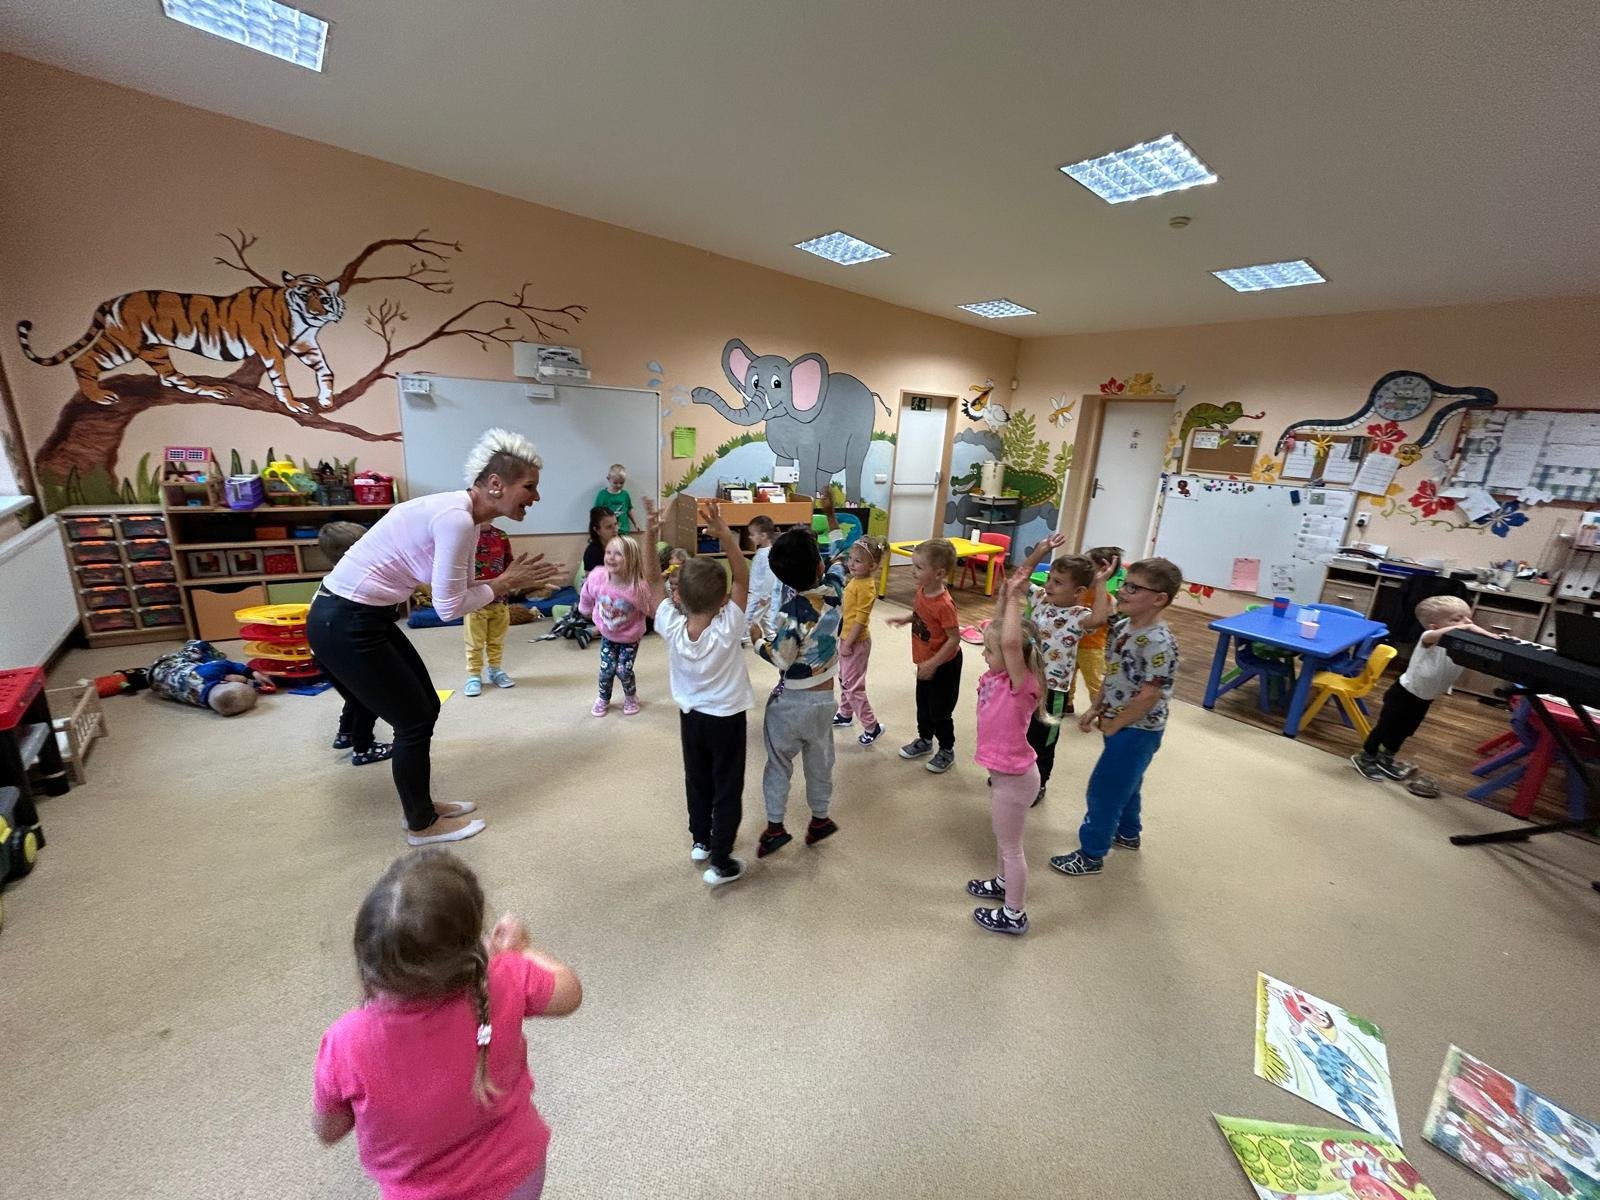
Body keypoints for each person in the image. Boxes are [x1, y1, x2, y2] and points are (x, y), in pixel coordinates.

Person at [306, 428, 567, 845]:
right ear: (495, 484)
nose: (535, 497)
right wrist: (503, 583)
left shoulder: (467, 519)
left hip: (361, 616)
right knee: (412, 719)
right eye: (529, 486)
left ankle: (421, 806)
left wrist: (505, 583)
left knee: (425, 706)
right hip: (343, 620)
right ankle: (421, 825)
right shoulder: (457, 519)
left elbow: (458, 590)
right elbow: (449, 608)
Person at [312, 849, 582, 1200]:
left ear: (367, 957)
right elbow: (569, 992)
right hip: (519, 1173)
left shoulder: (345, 1042)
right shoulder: (503, 977)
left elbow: (328, 1130)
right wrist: (522, 950)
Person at [644, 498, 753, 886]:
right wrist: (725, 536)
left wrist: (650, 535)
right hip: (727, 719)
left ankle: (701, 840)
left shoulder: (671, 626)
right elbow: (742, 578)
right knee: (727, 787)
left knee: (698, 779)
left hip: (691, 719)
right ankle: (720, 861)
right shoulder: (729, 626)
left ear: (679, 596)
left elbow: (652, 582)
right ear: (723, 600)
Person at [1050, 557, 1183, 877]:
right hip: (1116, 720)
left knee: (1105, 789)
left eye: (1134, 588)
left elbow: (1150, 695)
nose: (1122, 591)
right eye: (1124, 584)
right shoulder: (1122, 627)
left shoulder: (1159, 643)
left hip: (1139, 729)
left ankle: (1092, 854)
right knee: (1127, 781)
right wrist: (1096, 707)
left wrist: (1116, 723)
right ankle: (1128, 832)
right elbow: (1113, 673)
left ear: (1159, 599)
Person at [752, 491, 847, 856]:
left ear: (784, 580)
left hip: (791, 703)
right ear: (820, 566)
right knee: (820, 762)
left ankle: (775, 828)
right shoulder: (835, 589)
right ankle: (820, 818)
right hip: (825, 701)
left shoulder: (792, 611)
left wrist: (758, 640)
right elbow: (840, 552)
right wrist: (831, 514)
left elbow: (781, 657)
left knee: (778, 762)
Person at [967, 569, 1056, 936]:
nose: (985, 654)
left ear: (1012, 654)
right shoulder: (999, 678)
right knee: (1002, 840)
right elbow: (1001, 632)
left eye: (990, 651)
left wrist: (1018, 599)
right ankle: (1003, 883)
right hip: (1004, 778)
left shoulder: (1023, 685)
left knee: (1012, 847)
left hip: (1016, 781)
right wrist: (1006, 598)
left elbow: (1009, 643)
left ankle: (1014, 914)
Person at [1014, 534, 1112, 806]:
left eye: (1057, 582)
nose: (1049, 585)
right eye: (1049, 579)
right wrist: (1040, 551)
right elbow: (1020, 578)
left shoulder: (1079, 615)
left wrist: (1101, 583)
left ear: (1079, 591)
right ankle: (1015, 773)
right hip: (1023, 680)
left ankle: (1039, 782)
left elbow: (1100, 618)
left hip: (1053, 690)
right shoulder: (1040, 599)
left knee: (1043, 739)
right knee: (1018, 730)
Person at [1351, 595, 1491, 781]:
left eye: (1468, 617)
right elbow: (1433, 636)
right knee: (1386, 727)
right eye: (1457, 619)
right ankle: (1365, 756)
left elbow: (1483, 642)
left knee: (1405, 730)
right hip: (1404, 694)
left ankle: (1386, 757)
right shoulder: (1429, 638)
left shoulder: (1461, 642)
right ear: (1435, 626)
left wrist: (1493, 638)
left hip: (1425, 698)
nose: (1466, 623)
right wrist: (1465, 627)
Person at [318, 520, 392, 763]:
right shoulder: (357, 585)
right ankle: (363, 748)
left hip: (322, 650)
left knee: (354, 696)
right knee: (368, 700)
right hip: (341, 648)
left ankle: (345, 733)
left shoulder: (333, 580)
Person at [888, 538, 962, 773]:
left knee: (940, 710)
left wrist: (933, 663)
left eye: (919, 567)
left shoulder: (945, 604)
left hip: (944, 664)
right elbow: (922, 614)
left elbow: (954, 639)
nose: (913, 570)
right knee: (923, 705)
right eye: (913, 565)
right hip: (925, 660)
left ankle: (947, 749)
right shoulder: (922, 590)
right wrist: (907, 619)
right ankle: (925, 740)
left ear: (939, 573)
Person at [577, 533, 652, 716]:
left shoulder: (638, 587)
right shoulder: (597, 577)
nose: (610, 557)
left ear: (631, 560)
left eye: (618, 554)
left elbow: (650, 608)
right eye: (608, 552)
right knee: (607, 669)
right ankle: (603, 698)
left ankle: (631, 696)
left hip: (630, 637)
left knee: (623, 670)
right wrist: (585, 609)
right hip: (607, 633)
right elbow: (586, 592)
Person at [832, 535, 887, 746]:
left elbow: (861, 620)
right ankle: (845, 713)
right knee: (844, 679)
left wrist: (848, 643)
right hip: (846, 637)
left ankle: (872, 727)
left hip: (855, 642)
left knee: (853, 686)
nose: (851, 564)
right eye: (851, 559)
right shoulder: (856, 580)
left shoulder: (867, 587)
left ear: (872, 566)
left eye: (858, 561)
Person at [146, 639, 275, 715]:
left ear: (223, 681)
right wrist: (245, 676)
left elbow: (226, 664)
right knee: (202, 652)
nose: (244, 681)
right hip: (154, 682)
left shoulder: (210, 671)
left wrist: (252, 673)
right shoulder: (208, 702)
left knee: (200, 647)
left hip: (169, 663)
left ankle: (198, 647)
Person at [464, 523, 516, 697]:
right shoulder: (465, 535)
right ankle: (474, 675)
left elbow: (509, 564)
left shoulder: (501, 536)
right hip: (475, 602)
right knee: (474, 642)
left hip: (499, 600)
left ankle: (495, 669)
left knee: (497, 640)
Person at [1072, 545, 1125, 712]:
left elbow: (1114, 626)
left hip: (1093, 648)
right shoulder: (1079, 590)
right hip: (1071, 644)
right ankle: (1067, 703)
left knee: (1094, 682)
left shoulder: (1107, 599)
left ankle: (1099, 710)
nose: (1084, 570)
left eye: (1090, 567)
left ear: (1104, 571)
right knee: (1068, 677)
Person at [744, 514, 781, 638]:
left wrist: (764, 596)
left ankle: (743, 638)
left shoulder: (765, 555)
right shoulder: (766, 552)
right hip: (763, 595)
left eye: (752, 534)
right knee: (767, 619)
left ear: (763, 536)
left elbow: (770, 577)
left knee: (748, 619)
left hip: (759, 595)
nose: (750, 537)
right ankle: (772, 637)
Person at [593, 463, 637, 532]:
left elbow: (629, 510)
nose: (619, 485)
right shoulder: (602, 494)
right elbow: (596, 513)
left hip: (623, 531)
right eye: (615, 483)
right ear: (608, 479)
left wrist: (635, 523)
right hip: (607, 532)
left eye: (621, 483)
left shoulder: (625, 494)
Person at [582, 507, 619, 574]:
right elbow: (591, 579)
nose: (615, 530)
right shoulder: (592, 552)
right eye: (609, 527)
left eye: (616, 524)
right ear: (597, 530)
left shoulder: (622, 546)